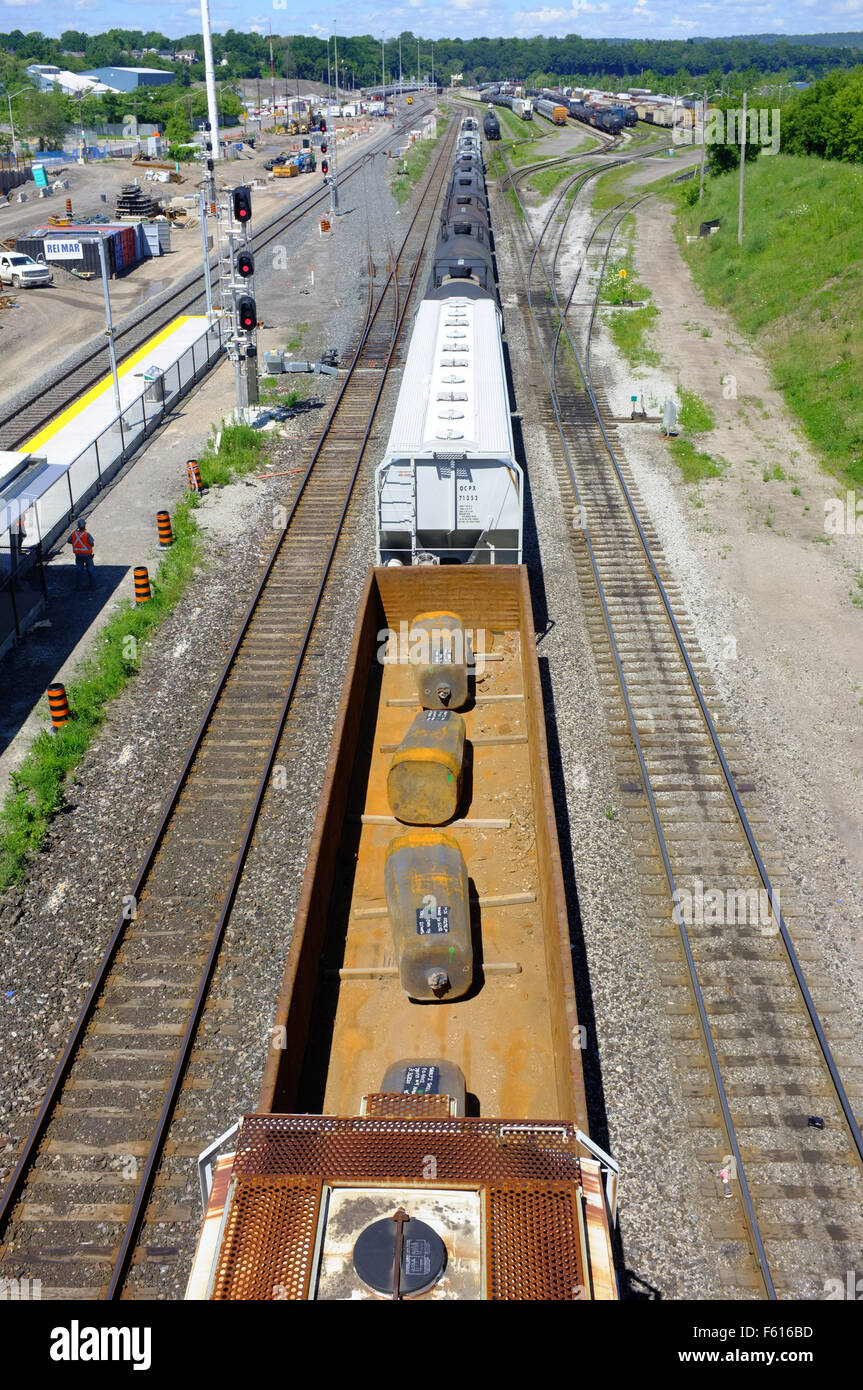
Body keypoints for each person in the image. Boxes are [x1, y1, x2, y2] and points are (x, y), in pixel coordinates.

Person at [68, 518, 96, 590]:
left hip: (78, 556)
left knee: (79, 571)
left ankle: (78, 587)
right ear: (84, 526)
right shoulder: (87, 534)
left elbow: (69, 541)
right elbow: (91, 543)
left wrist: (76, 543)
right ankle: (93, 586)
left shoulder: (74, 534)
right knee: (90, 570)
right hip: (88, 556)